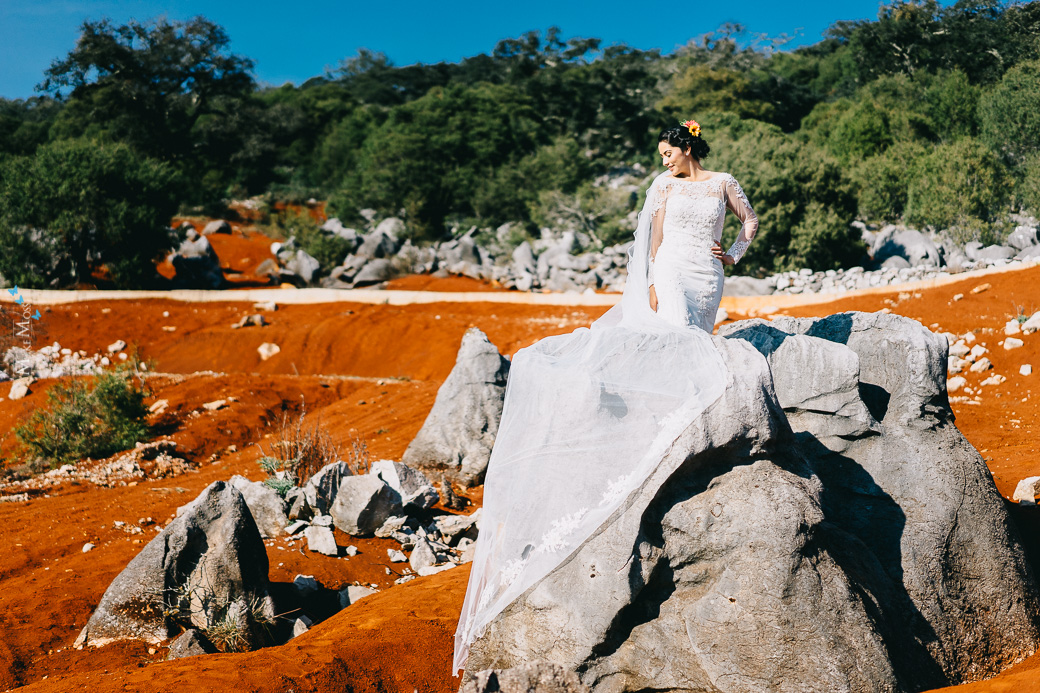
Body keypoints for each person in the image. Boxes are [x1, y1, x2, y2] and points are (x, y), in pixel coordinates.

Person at [453, 119, 760, 674]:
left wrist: (733, 254)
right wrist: (646, 283)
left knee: (698, 341)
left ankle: (688, 423)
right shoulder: (662, 188)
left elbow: (753, 220)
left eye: (670, 153)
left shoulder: (722, 182)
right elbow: (655, 239)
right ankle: (667, 421)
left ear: (688, 148)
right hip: (670, 271)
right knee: (674, 341)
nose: (664, 161)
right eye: (662, 155)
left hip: (707, 273)